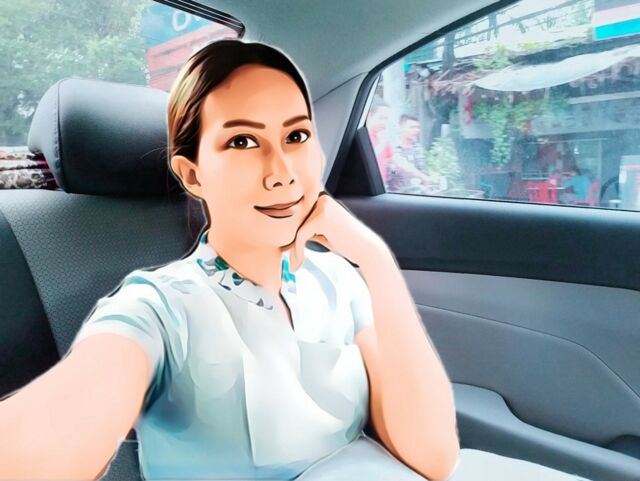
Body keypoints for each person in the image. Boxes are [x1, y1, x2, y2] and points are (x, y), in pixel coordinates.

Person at [0, 39, 592, 481]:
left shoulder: (339, 280)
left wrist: (375, 259)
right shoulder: (159, 307)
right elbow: (55, 431)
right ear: (193, 174)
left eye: (297, 135)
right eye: (242, 141)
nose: (281, 171)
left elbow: (433, 455)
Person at [388, 114, 438, 194]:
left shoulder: (418, 148)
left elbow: (423, 171)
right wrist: (394, 170)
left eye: (417, 127)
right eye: (412, 127)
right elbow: (389, 175)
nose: (416, 130)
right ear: (401, 128)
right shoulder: (391, 149)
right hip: (397, 194)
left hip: (417, 193)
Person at [366, 98, 394, 185]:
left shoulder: (381, 138)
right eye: (382, 118)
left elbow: (397, 160)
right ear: (369, 116)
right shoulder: (361, 138)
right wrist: (381, 144)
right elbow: (366, 161)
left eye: (387, 119)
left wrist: (422, 176)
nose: (384, 122)